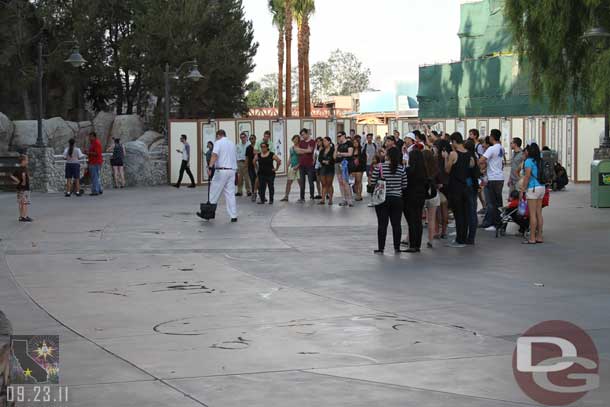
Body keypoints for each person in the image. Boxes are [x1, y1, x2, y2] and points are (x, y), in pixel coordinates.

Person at [370, 147, 408, 254]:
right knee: (396, 224)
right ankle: (397, 247)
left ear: (388, 156)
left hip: (382, 199)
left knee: (382, 224)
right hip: (397, 199)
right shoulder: (401, 168)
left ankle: (381, 248)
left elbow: (372, 182)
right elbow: (404, 185)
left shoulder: (380, 167)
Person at [444, 132, 474, 248]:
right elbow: (471, 166)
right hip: (466, 186)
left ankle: (459, 239)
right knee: (465, 213)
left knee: (458, 213)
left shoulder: (453, 154)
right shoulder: (469, 154)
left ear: (455, 141)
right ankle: (464, 237)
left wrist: (446, 158)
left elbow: (447, 170)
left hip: (455, 187)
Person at [203, 129, 238, 222]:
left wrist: (210, 167)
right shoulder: (232, 143)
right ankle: (233, 215)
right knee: (230, 194)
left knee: (214, 191)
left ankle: (208, 213)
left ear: (218, 135)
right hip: (232, 170)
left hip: (221, 170)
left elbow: (214, 155)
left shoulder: (218, 143)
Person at [479, 129, 504, 230]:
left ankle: (489, 222)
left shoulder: (492, 148)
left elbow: (481, 160)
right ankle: (498, 222)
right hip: (500, 177)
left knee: (490, 202)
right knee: (498, 202)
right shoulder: (501, 148)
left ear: (492, 137)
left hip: (492, 178)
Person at [521, 142, 545, 244]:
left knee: (532, 214)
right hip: (542, 187)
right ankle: (539, 236)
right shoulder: (540, 161)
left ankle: (532, 238)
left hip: (533, 188)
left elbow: (527, 176)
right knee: (539, 213)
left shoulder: (528, 161)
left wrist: (523, 188)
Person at [403, 149, 427, 253]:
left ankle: (412, 244)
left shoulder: (409, 171)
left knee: (411, 221)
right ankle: (417, 244)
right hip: (421, 196)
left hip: (409, 197)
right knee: (418, 220)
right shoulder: (424, 171)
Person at [464, 139, 481, 245]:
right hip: (474, 186)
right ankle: (471, 236)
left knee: (469, 212)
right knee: (472, 210)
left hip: (468, 185)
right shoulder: (475, 156)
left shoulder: (468, 158)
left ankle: (470, 237)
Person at [423, 149, 440, 248]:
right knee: (432, 218)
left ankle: (409, 238)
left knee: (415, 217)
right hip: (433, 195)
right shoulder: (435, 169)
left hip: (421, 195)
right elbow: (439, 184)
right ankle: (430, 240)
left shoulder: (420, 169)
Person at [294, 128, 316, 202]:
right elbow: (297, 151)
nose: (302, 136)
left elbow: (311, 151)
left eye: (303, 134)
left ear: (307, 134)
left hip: (309, 164)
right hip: (302, 165)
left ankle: (312, 196)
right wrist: (306, 150)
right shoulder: (301, 142)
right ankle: (302, 197)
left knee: (310, 181)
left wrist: (302, 150)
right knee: (302, 182)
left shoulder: (312, 141)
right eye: (301, 135)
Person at [334, 131, 354, 207]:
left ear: (344, 135)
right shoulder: (338, 145)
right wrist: (336, 149)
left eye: (340, 136)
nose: (339, 137)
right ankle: (343, 199)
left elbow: (350, 153)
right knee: (340, 182)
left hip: (345, 164)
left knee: (345, 182)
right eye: (338, 136)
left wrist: (341, 154)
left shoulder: (349, 143)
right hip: (338, 163)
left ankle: (350, 199)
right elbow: (335, 156)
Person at [10, 155, 32, 222]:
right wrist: (22, 181)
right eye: (27, 160)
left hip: (19, 188)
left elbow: (11, 175)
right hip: (24, 189)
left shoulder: (19, 168)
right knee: (24, 203)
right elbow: (24, 179)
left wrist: (17, 181)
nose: (27, 161)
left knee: (21, 203)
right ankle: (24, 216)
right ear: (23, 161)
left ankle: (21, 216)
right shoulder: (23, 169)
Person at [280, 135, 301, 202]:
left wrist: (298, 165)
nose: (295, 140)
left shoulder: (300, 148)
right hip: (292, 167)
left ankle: (301, 196)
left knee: (300, 183)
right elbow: (290, 157)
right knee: (288, 182)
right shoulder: (291, 148)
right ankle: (286, 196)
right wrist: (287, 165)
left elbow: (302, 158)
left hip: (299, 167)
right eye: (294, 139)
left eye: (297, 139)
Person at [318, 136, 335, 205]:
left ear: (329, 142)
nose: (324, 142)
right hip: (323, 168)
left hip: (330, 168)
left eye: (325, 141)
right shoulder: (322, 150)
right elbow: (319, 158)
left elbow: (333, 158)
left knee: (329, 184)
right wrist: (324, 161)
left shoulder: (332, 149)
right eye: (323, 141)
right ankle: (323, 199)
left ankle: (330, 199)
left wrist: (329, 161)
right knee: (323, 184)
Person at [235, 132, 252, 197]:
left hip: (246, 162)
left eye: (244, 137)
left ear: (246, 137)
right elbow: (236, 154)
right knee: (240, 178)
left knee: (247, 178)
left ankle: (248, 191)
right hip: (239, 162)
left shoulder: (249, 145)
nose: (242, 138)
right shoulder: (237, 145)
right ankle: (239, 191)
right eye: (241, 137)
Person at [245, 135, 257, 202]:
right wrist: (246, 166)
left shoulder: (258, 146)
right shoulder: (248, 148)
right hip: (250, 166)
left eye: (252, 138)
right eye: (250, 139)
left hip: (257, 166)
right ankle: (253, 194)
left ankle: (261, 194)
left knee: (259, 180)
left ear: (255, 139)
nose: (251, 140)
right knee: (252, 180)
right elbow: (247, 158)